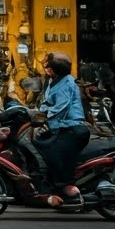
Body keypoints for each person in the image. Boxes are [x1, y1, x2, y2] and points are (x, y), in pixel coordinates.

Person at [37, 52, 91, 206]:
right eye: (46, 66)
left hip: (71, 128)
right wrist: (40, 111)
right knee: (39, 144)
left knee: (54, 154)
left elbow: (62, 106)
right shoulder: (51, 81)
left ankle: (66, 186)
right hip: (58, 127)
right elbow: (46, 101)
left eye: (50, 67)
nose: (47, 69)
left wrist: (45, 115)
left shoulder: (67, 82)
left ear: (57, 68)